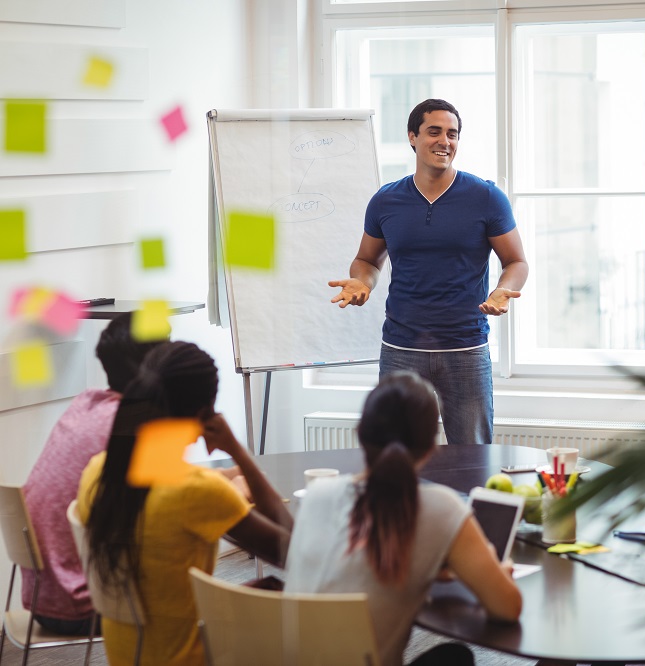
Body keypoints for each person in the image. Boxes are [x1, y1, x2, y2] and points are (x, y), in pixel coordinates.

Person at [77, 341, 293, 666]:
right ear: (205, 414)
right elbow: (292, 551)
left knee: (264, 587)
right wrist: (238, 452)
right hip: (183, 657)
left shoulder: (98, 471)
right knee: (284, 593)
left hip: (126, 654)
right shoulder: (197, 492)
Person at [284, 371, 522, 666]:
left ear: (359, 433)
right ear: (431, 447)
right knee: (456, 657)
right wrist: (500, 571)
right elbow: (507, 608)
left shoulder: (317, 495)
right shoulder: (440, 508)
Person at [328, 98, 529, 445]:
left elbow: (516, 262)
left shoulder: (486, 197)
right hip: (400, 348)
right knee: (394, 457)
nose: (445, 141)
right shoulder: (386, 200)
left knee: (473, 459)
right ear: (412, 137)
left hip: (465, 349)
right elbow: (367, 261)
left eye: (452, 134)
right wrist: (362, 282)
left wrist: (501, 290)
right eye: (434, 132)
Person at [21, 312, 162, 636]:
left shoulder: (85, 402)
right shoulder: (134, 423)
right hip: (87, 604)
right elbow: (175, 501)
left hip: (41, 599)